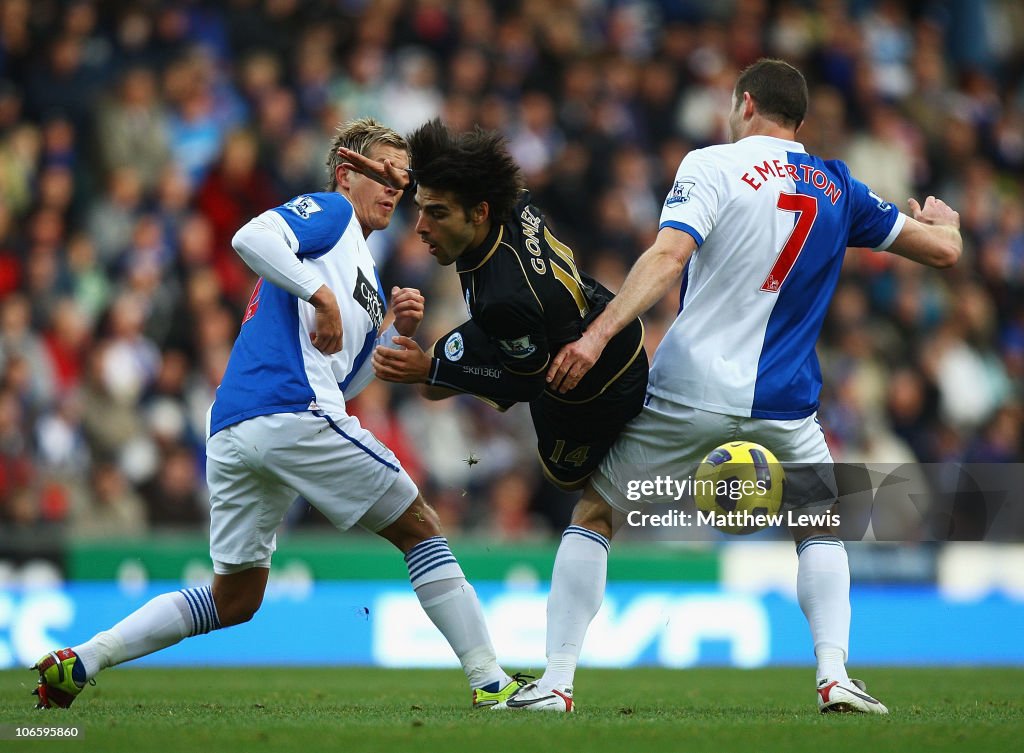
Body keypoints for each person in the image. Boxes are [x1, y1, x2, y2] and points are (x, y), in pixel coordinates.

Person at [511, 59, 962, 713]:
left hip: (690, 390)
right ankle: (834, 676)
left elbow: (669, 255)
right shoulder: (840, 186)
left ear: (745, 104)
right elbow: (944, 251)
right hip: (785, 403)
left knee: (597, 514)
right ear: (799, 122)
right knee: (818, 527)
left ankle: (555, 683)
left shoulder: (712, 165)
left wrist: (597, 333)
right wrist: (943, 220)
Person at [32, 118, 522, 710]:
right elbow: (249, 237)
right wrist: (319, 296)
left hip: (239, 428)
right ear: (347, 173)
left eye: (405, 178)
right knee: (420, 527)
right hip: (291, 412)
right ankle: (492, 682)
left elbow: (346, 379)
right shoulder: (331, 214)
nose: (399, 189)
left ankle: (84, 658)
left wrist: (394, 332)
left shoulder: (362, 269)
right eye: (387, 174)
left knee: (234, 599)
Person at [338, 119, 648, 496]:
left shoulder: (503, 297)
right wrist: (404, 177)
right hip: (568, 317)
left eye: (436, 214)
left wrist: (432, 368)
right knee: (427, 385)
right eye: (420, 207)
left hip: (592, 384)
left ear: (479, 213)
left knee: (579, 490)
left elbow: (528, 382)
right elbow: (463, 177)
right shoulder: (508, 197)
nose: (419, 227)